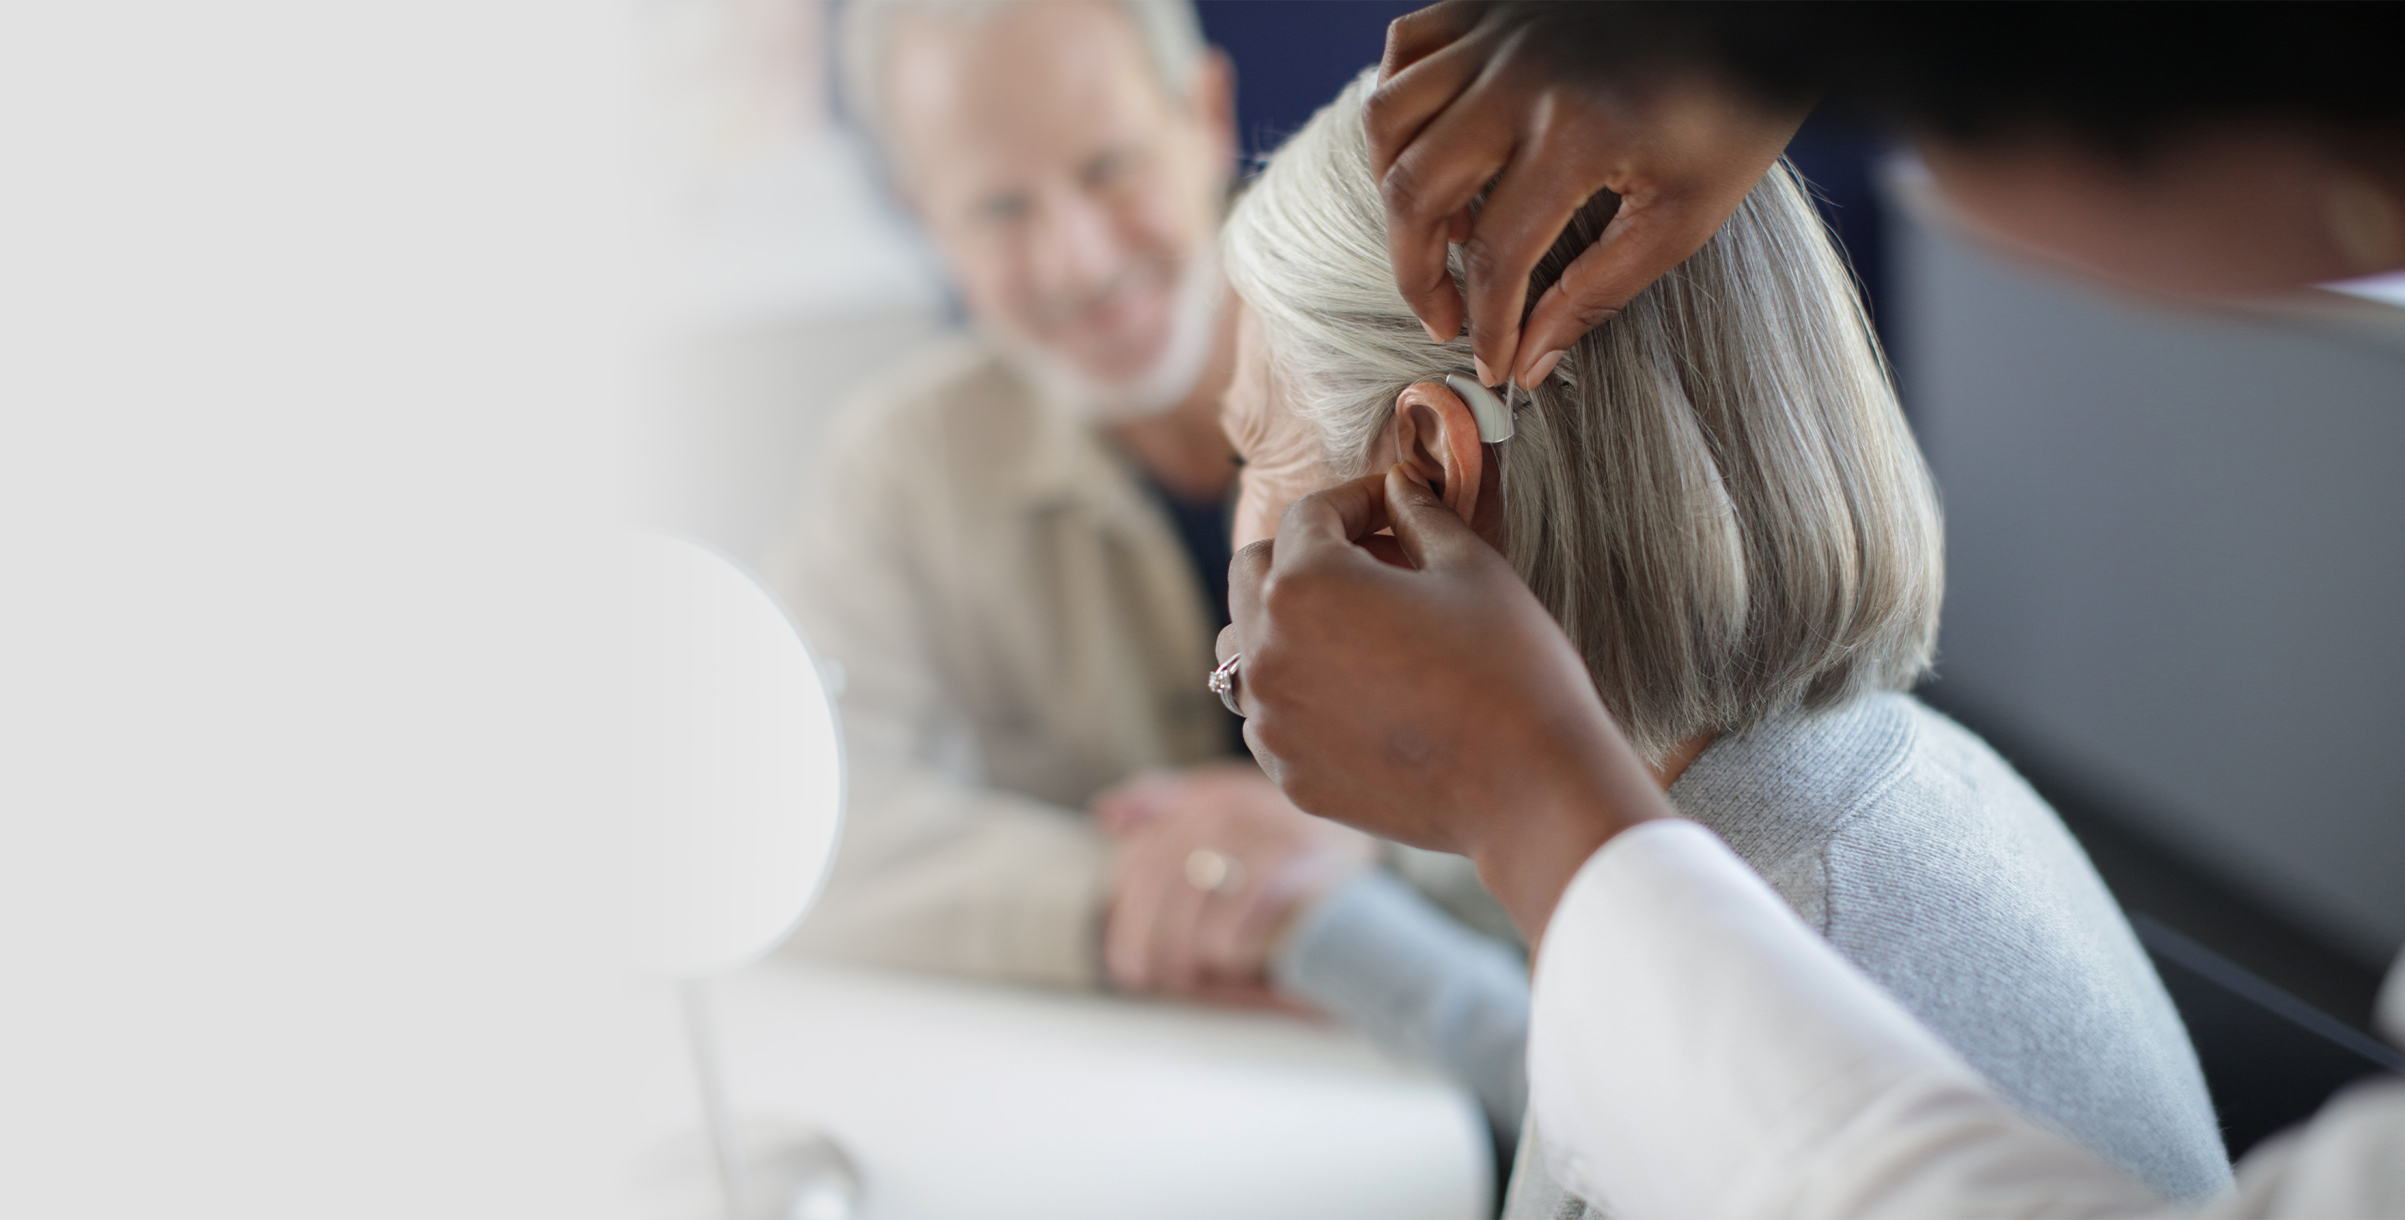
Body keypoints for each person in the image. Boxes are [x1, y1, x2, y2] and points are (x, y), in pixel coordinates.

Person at [1215, 4, 2405, 1215]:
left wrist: (1513, 795)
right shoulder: (1844, 792)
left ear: (1423, 475)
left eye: (1254, 445)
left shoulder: (1818, 915)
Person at [780, 0, 1502, 1026]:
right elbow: (791, 819)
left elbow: (1675, 762)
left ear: (1205, 114)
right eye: (996, 209)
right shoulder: (900, 464)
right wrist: (1139, 891)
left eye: (1108, 168)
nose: (1074, 259)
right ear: (921, 216)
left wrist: (1383, 840)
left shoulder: (1443, 348)